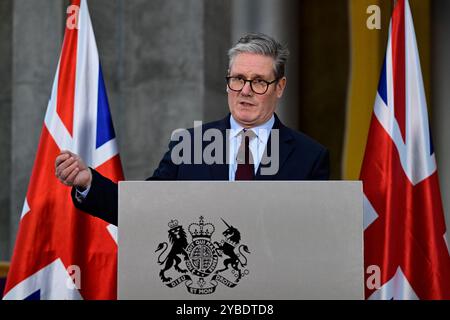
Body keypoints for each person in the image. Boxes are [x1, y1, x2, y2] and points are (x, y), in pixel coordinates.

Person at [55, 33, 330, 226]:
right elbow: (143, 209)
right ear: (227, 82)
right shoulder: (189, 145)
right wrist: (88, 182)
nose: (245, 91)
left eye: (258, 81)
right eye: (237, 79)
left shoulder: (310, 157)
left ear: (279, 87)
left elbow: (317, 233)